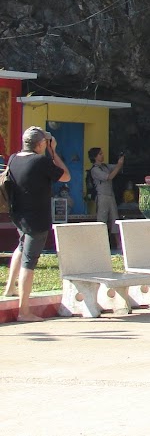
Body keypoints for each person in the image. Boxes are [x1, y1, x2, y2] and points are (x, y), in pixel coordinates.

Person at [2, 127, 70, 321]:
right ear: (41, 144)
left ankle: (9, 288)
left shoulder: (14, 158)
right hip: (37, 219)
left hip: (19, 216)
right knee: (29, 262)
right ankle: (24, 311)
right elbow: (66, 176)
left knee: (21, 247)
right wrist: (53, 152)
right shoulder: (41, 161)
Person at [88, 146, 125, 251]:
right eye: (100, 154)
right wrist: (119, 165)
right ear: (95, 157)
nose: (102, 155)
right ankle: (100, 244)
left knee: (115, 219)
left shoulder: (105, 166)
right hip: (102, 196)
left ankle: (118, 244)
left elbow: (117, 168)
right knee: (102, 220)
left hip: (110, 195)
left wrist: (120, 162)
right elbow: (109, 177)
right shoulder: (95, 170)